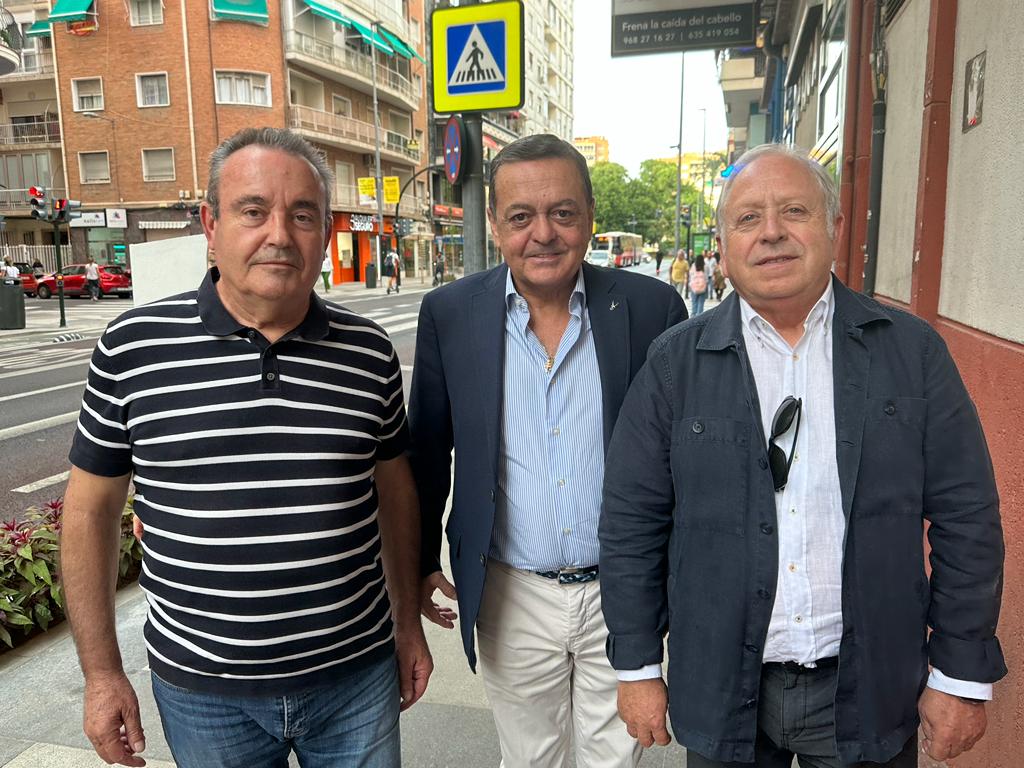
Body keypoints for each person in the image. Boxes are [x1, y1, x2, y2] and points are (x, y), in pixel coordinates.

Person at [599, 143, 1006, 768]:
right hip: (721, 686)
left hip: (868, 688)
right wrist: (637, 664)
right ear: (723, 241)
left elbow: (968, 518)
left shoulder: (912, 354)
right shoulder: (673, 365)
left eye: (794, 210)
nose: (772, 233)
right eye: (747, 218)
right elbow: (631, 523)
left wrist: (958, 673)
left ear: (834, 227)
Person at [61, 127, 432, 768]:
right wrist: (101, 676)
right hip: (202, 692)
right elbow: (88, 514)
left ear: (323, 232)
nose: (280, 235)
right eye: (253, 211)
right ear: (210, 224)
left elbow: (394, 494)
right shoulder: (132, 348)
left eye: (303, 215)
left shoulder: (370, 353)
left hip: (356, 678)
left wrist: (408, 625)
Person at [408, 134, 687, 768]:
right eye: (521, 216)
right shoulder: (450, 314)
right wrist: (421, 559)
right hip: (512, 591)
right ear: (497, 226)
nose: (544, 234)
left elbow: (683, 458)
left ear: (589, 217)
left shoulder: (651, 309)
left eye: (563, 213)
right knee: (529, 759)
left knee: (613, 761)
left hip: (625, 589)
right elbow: (427, 449)